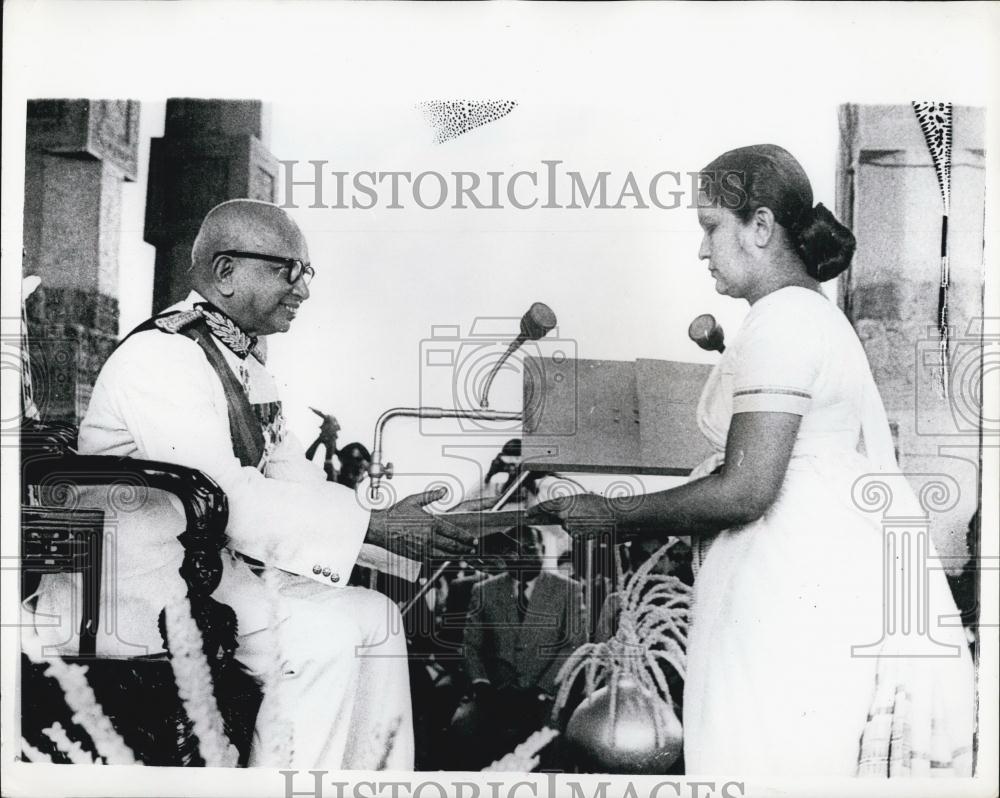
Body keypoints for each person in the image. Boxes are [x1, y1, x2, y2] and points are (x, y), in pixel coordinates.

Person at [530, 145, 975, 777]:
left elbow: (746, 490)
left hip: (790, 591)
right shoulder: (807, 318)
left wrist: (607, 512)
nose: (702, 250)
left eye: (711, 227)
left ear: (760, 227)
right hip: (797, 580)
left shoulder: (785, 321)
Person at [32, 199, 474, 770]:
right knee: (323, 638)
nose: (303, 290)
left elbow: (296, 482)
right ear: (225, 272)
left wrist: (385, 526)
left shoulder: (241, 363)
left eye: (305, 272)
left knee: (377, 617)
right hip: (131, 590)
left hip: (205, 576)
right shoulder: (163, 357)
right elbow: (224, 494)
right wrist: (380, 527)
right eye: (286, 269)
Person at [448, 525, 587, 769]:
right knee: (462, 728)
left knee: (550, 744)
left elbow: (574, 645)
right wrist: (481, 684)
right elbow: (470, 645)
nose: (521, 556)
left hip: (547, 694)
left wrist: (542, 689)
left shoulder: (569, 590)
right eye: (513, 550)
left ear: (542, 550)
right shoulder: (484, 592)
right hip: (494, 693)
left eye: (529, 548)